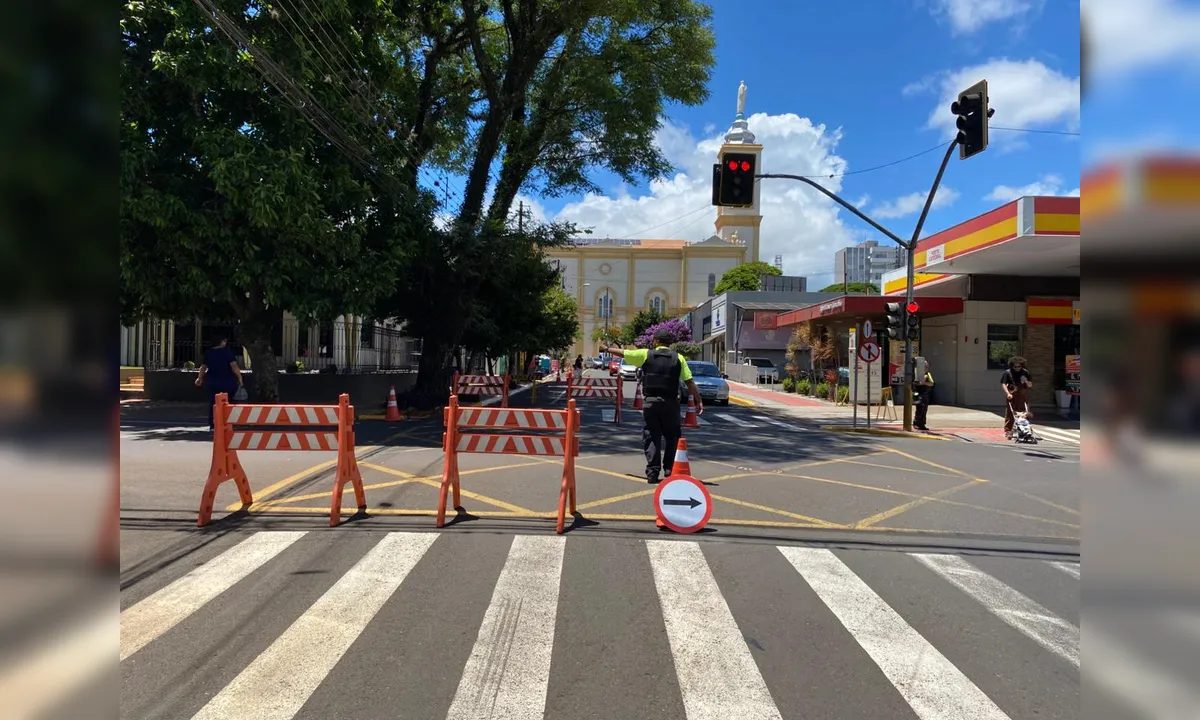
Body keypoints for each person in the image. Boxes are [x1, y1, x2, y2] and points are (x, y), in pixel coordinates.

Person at [601, 331, 703, 484]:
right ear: (670, 343)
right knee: (672, 437)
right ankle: (669, 470)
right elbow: (689, 381)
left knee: (652, 436)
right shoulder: (678, 358)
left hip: (651, 403)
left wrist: (606, 349)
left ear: (656, 341)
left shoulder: (646, 355)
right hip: (670, 404)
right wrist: (698, 400)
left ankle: (652, 473)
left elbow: (624, 353)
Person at [195, 334, 244, 430]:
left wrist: (199, 378)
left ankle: (213, 424)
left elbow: (203, 367)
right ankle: (228, 422)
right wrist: (240, 378)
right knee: (228, 402)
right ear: (222, 342)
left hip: (212, 381)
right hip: (227, 381)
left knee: (214, 403)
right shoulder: (227, 352)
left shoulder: (209, 352)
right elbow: (234, 366)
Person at [1001, 356, 1033, 439]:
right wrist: (1008, 393)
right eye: (1015, 366)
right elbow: (1004, 384)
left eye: (1019, 366)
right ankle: (1008, 430)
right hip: (1012, 393)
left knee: (1024, 412)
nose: (1017, 368)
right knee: (1010, 413)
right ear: (1012, 366)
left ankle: (1024, 429)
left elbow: (1030, 385)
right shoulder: (1007, 373)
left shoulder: (1025, 372)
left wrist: (1026, 381)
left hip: (1022, 394)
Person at [913, 364, 934, 432]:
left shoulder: (928, 374)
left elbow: (931, 383)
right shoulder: (917, 374)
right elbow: (916, 383)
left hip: (925, 394)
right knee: (919, 408)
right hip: (919, 393)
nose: (926, 368)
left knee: (924, 409)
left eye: (927, 366)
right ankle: (916, 423)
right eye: (925, 366)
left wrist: (924, 383)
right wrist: (921, 383)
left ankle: (922, 424)